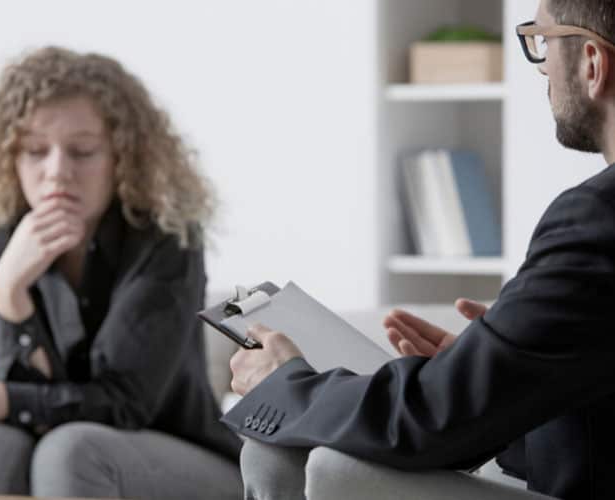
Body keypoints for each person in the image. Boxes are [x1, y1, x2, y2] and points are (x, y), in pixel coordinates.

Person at [223, 1, 615, 499]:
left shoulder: (597, 222)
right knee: (280, 451)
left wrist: (286, 383)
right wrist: (497, 379)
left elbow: (425, 421)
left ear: (592, 63)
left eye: (541, 42)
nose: (540, 69)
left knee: (331, 466)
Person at [0, 46, 242, 499]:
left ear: (122, 157)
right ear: (10, 160)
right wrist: (10, 292)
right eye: (35, 151)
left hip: (185, 457)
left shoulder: (166, 239)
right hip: (61, 443)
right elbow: (30, 404)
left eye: (82, 151)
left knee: (71, 448)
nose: (57, 172)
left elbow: (122, 406)